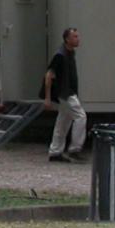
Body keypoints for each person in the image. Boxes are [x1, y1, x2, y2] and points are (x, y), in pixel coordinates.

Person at [43, 27, 87, 162]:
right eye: (75, 37)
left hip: (66, 92)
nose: (78, 39)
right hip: (66, 93)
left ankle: (55, 151)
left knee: (63, 121)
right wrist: (47, 98)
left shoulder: (68, 53)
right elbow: (49, 75)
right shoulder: (61, 55)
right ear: (67, 39)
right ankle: (75, 149)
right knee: (80, 116)